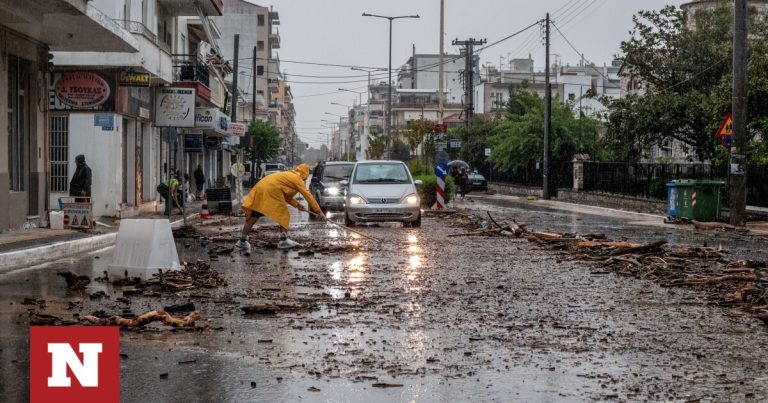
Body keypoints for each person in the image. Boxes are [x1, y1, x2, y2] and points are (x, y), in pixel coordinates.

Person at [236, 163, 323, 254]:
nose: (305, 180)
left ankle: (242, 240)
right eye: (305, 178)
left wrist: (297, 205)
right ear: (305, 174)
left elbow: (287, 197)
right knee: (284, 213)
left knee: (255, 214)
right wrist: (319, 211)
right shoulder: (297, 179)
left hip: (261, 188)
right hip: (270, 191)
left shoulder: (289, 176)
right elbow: (308, 195)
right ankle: (283, 240)